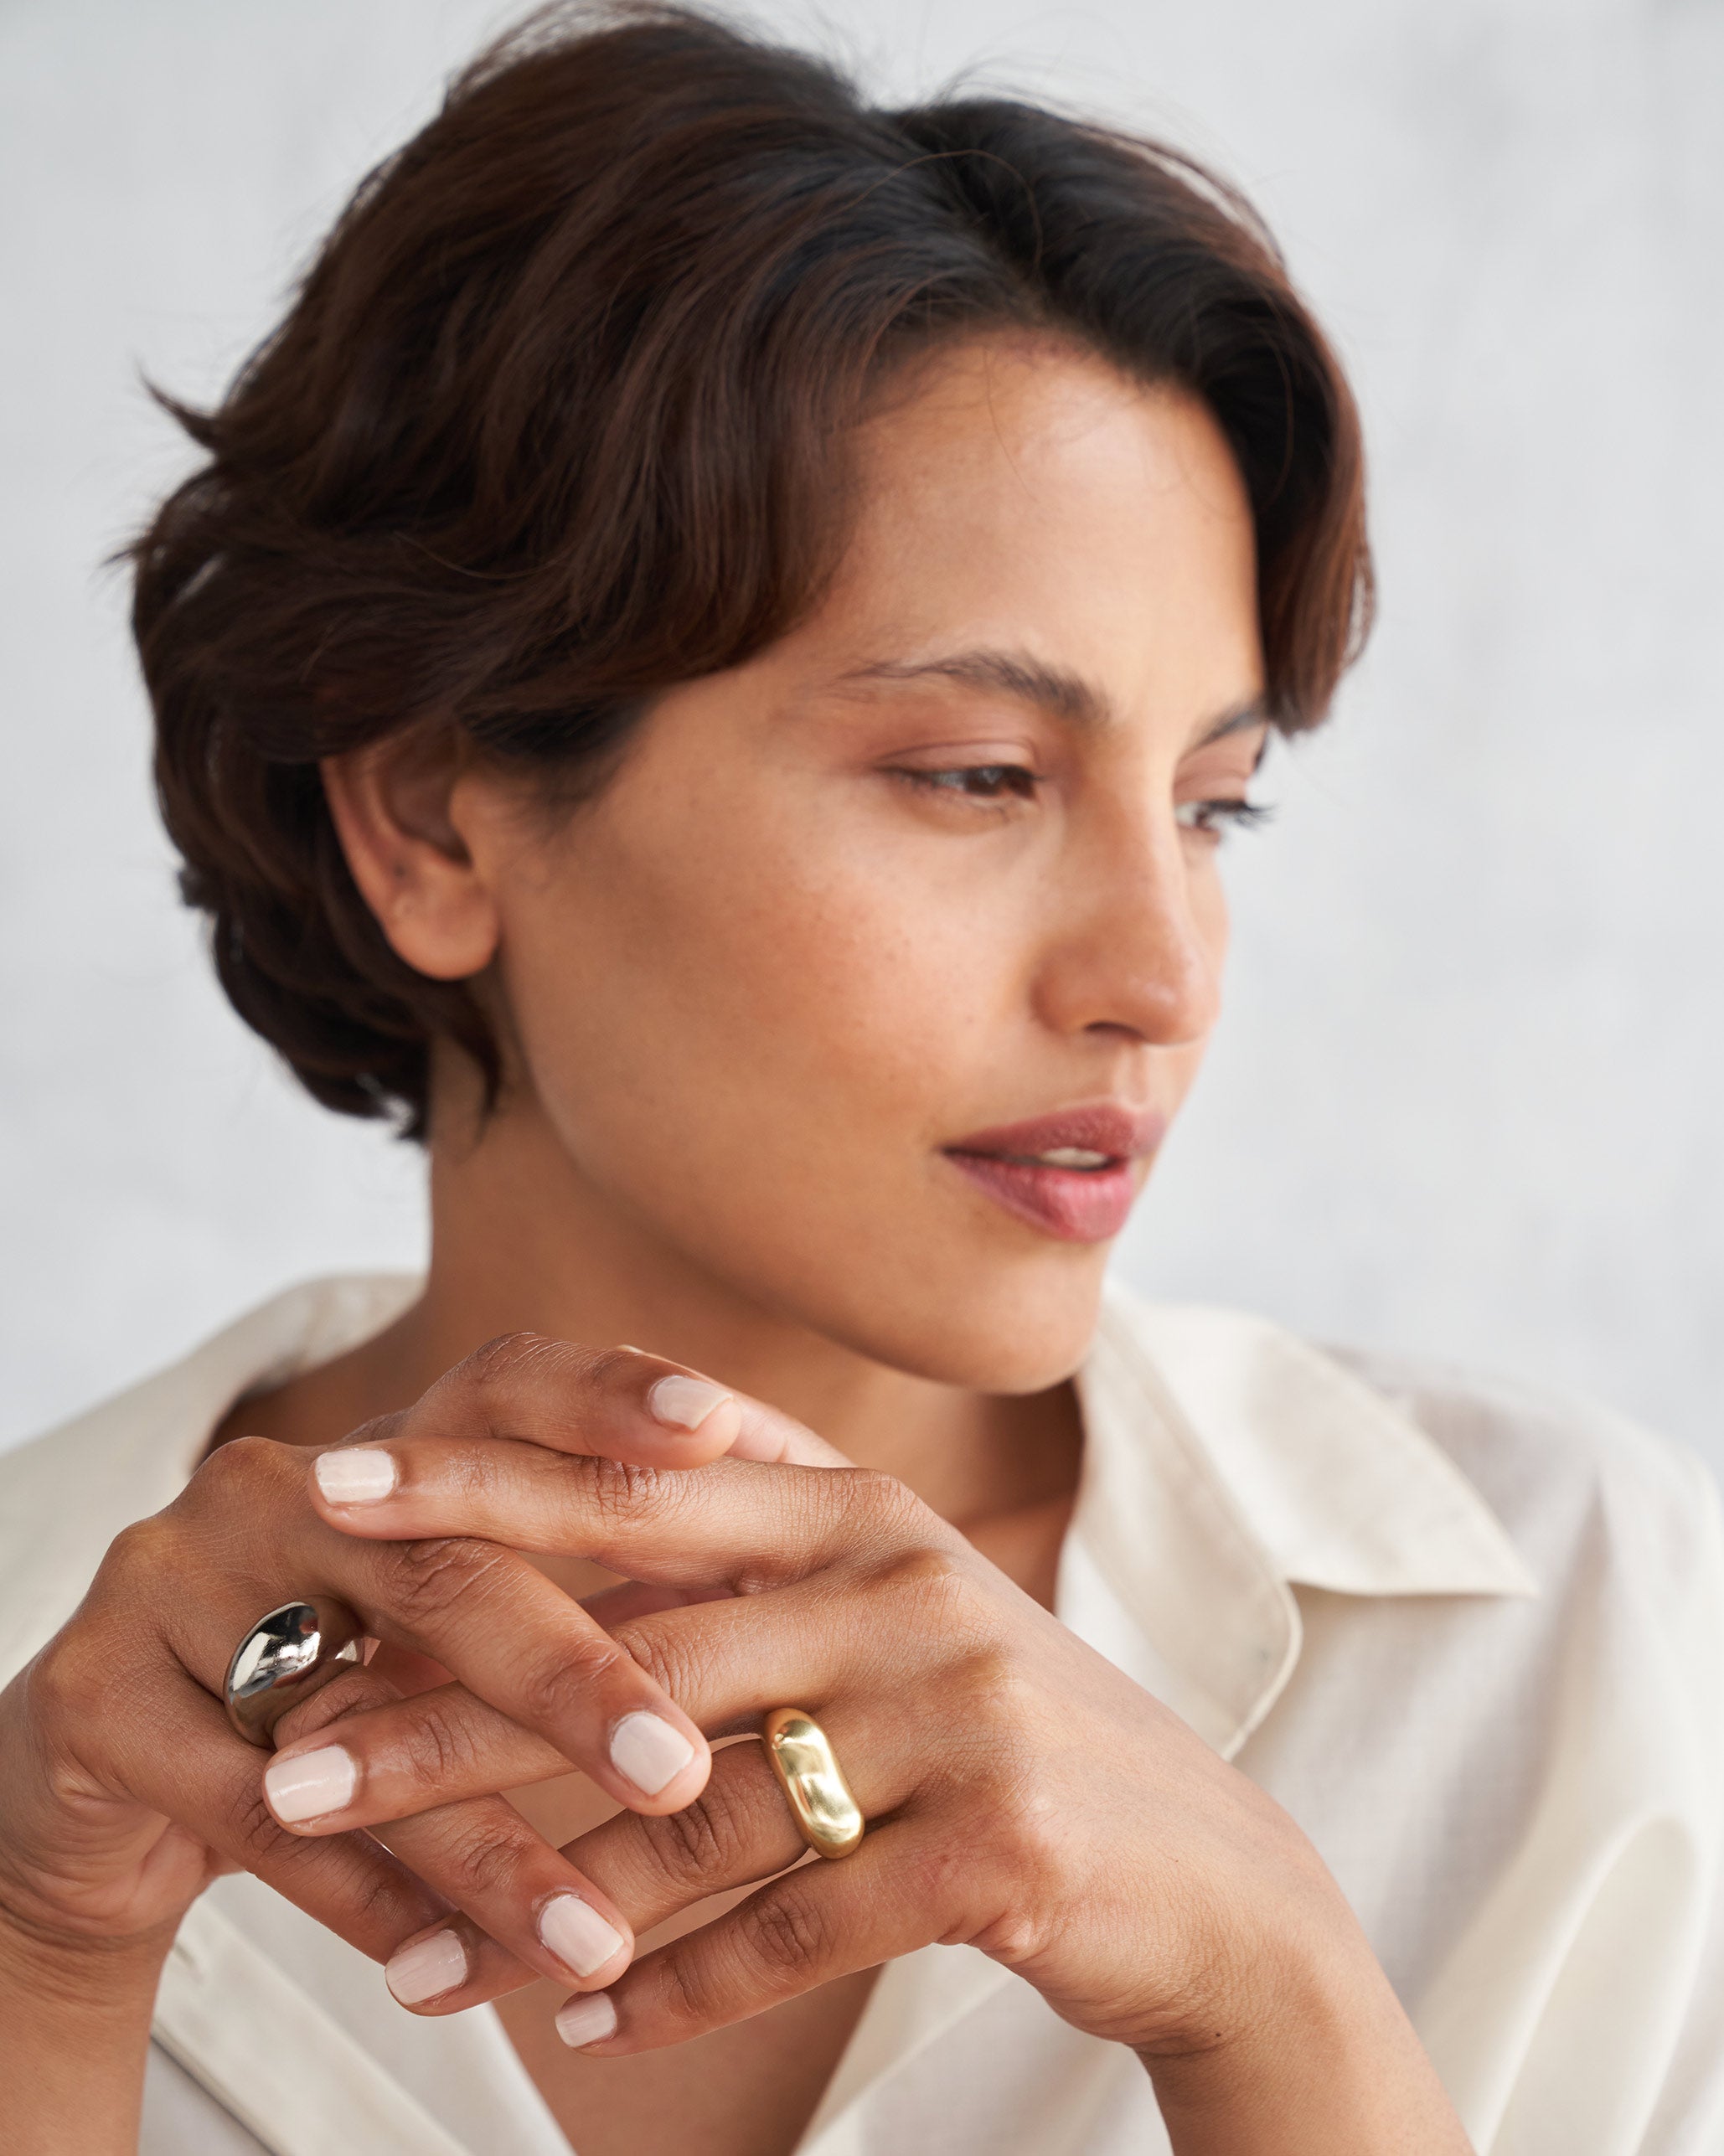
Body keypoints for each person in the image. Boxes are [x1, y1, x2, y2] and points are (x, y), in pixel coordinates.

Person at [2, 6, 1720, 2153]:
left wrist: (1279, 1990)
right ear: (435, 817)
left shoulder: (1600, 1659)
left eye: (1216, 803)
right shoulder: (42, 1692)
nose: (1160, 977)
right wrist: (41, 1956)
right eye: (978, 775)